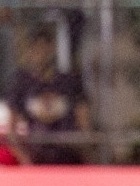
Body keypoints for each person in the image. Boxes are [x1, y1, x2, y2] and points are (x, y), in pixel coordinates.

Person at [6, 25, 90, 165]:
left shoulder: (69, 81)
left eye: (44, 47)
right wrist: (25, 160)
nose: (40, 53)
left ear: (52, 49)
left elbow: (84, 121)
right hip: (37, 152)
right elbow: (11, 128)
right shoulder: (22, 83)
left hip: (68, 152)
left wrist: (85, 150)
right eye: (35, 48)